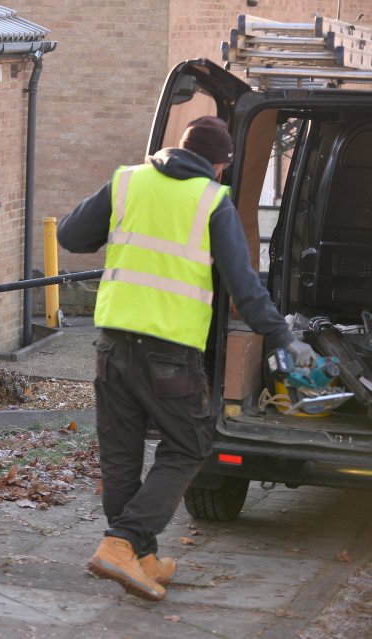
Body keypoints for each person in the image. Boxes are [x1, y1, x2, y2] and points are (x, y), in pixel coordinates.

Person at [57, 116, 316, 601]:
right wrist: (283, 338)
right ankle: (123, 544)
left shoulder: (128, 181)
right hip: (169, 354)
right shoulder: (212, 200)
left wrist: (114, 229)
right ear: (220, 165)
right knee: (191, 444)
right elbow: (244, 286)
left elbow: (70, 236)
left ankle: (142, 556)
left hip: (112, 346)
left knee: (121, 454)